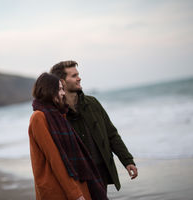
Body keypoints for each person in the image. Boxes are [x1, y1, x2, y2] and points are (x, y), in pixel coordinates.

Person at [50, 61, 138, 191]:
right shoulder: (56, 113)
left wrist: (127, 160)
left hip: (101, 170)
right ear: (62, 82)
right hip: (78, 175)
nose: (79, 78)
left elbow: (111, 134)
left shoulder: (93, 103)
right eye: (74, 76)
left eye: (78, 74)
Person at [28, 72, 109, 200]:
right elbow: (55, 158)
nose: (63, 93)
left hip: (75, 182)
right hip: (57, 189)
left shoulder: (59, 115)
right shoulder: (39, 117)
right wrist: (74, 193)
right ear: (49, 90)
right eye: (59, 89)